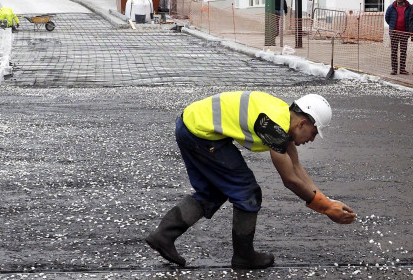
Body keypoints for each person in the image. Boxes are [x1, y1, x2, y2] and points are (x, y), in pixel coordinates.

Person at [145, 91, 356, 270]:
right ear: (302, 123)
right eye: (313, 133)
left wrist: (328, 202)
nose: (311, 139)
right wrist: (326, 209)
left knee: (213, 192)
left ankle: (164, 236)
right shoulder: (273, 127)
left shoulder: (283, 119)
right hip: (200, 134)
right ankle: (244, 256)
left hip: (191, 126)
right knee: (247, 192)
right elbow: (290, 179)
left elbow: (296, 168)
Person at [384, 0, 412, 75]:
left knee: (403, 51)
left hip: (404, 33)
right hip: (394, 33)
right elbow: (387, 18)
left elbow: (411, 18)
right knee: (394, 51)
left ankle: (402, 69)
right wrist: (392, 26)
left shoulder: (409, 7)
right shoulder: (391, 7)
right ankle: (394, 69)